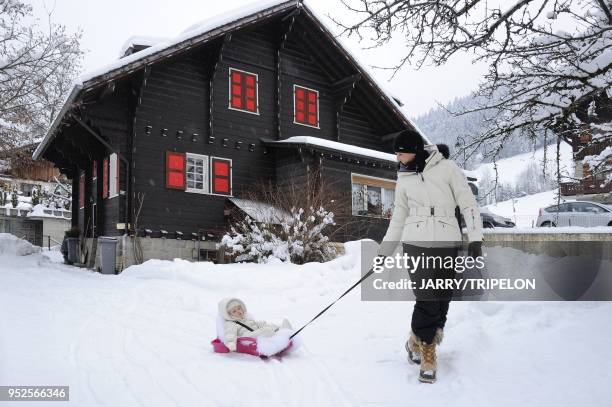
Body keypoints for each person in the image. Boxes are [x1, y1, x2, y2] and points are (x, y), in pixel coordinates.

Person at [376, 129, 483, 383]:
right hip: (416, 243)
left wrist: (476, 238)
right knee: (427, 299)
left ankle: (418, 338)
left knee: (442, 298)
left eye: (400, 153)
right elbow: (399, 217)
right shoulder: (403, 178)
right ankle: (427, 352)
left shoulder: (447, 169)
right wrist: (385, 251)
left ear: (414, 151)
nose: (397, 158)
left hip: (447, 241)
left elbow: (468, 202)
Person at [218, 297, 292, 352]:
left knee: (267, 326)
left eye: (239, 308)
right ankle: (275, 336)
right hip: (247, 338)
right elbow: (230, 333)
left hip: (255, 332)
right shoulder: (230, 323)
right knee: (266, 331)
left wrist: (263, 324)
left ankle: (282, 329)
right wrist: (230, 343)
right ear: (228, 314)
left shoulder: (246, 318)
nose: (238, 311)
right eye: (234, 311)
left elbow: (254, 324)